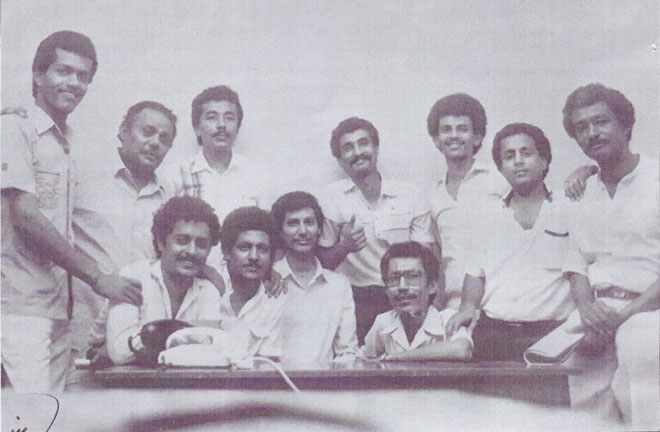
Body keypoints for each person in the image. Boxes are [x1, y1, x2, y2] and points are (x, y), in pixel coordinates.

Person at [1, 30, 141, 393]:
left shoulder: (70, 143)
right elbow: (26, 218)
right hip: (19, 309)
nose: (74, 83)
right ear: (38, 75)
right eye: (64, 71)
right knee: (30, 415)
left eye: (83, 76)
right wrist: (98, 279)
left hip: (60, 311)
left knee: (56, 415)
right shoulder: (13, 128)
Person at [560, 83, 659, 430]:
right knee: (563, 367)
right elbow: (576, 265)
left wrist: (626, 315)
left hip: (649, 314)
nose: (592, 133)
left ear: (626, 125)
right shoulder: (582, 192)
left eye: (601, 122)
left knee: (639, 350)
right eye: (581, 127)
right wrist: (587, 308)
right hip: (597, 316)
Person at [446, 123, 574, 361]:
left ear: (544, 161)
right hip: (495, 334)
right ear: (501, 168)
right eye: (509, 156)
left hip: (554, 334)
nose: (518, 161)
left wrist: (588, 171)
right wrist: (467, 308)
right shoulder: (487, 214)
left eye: (526, 153)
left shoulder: (568, 206)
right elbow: (475, 274)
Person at [317, 117, 434, 344]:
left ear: (376, 148)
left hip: (405, 294)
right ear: (340, 161)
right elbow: (321, 263)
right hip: (355, 299)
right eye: (348, 148)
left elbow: (427, 260)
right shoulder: (331, 197)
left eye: (363, 143)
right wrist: (345, 247)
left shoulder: (411, 194)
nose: (358, 152)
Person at [106, 197, 222, 365]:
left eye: (202, 244)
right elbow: (120, 352)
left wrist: (154, 334)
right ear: (161, 243)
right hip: (118, 379)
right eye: (182, 241)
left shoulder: (208, 288)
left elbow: (211, 352)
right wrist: (192, 331)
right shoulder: (134, 276)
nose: (192, 251)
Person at [426, 94, 508, 308]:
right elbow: (438, 258)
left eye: (462, 129)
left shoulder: (499, 180)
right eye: (446, 130)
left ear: (477, 137)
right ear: (436, 140)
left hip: (498, 300)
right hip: (453, 305)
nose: (454, 136)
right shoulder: (432, 195)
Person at [167, 86, 267, 257]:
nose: (221, 125)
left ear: (238, 127)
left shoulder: (255, 175)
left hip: (243, 270)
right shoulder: (176, 176)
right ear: (197, 128)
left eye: (229, 118)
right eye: (212, 117)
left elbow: (267, 235)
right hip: (192, 268)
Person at [271, 192, 359, 364]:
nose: (303, 231)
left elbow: (347, 351)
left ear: (319, 229)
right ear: (280, 231)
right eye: (293, 223)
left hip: (325, 380)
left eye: (309, 222)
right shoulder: (268, 279)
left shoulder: (338, 285)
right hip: (275, 379)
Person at [363, 241, 472, 361]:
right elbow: (363, 358)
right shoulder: (384, 322)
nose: (402, 287)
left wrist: (398, 357)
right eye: (394, 278)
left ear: (432, 285)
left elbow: (462, 349)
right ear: (386, 289)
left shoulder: (447, 319)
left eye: (413, 276)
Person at [214, 207, 287, 360]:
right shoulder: (208, 286)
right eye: (244, 247)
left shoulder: (274, 298)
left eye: (262, 249)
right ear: (227, 252)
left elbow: (269, 362)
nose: (254, 256)